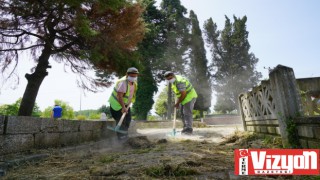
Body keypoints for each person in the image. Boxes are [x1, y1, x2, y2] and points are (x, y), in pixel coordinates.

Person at [108, 67, 139, 140]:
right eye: (132, 76)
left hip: (126, 105)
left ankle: (125, 137)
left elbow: (131, 94)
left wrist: (127, 105)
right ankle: (122, 140)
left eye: (135, 76)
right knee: (121, 122)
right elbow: (119, 96)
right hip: (116, 105)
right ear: (127, 74)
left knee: (128, 120)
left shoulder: (134, 83)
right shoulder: (123, 83)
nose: (133, 77)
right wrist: (123, 107)